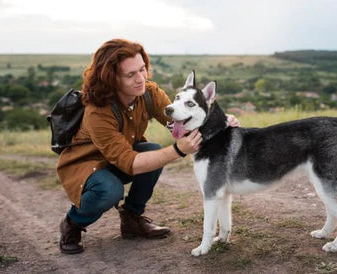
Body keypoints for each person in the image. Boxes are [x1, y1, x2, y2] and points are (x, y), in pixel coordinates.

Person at [56, 38, 239, 254]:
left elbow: (182, 119)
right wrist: (178, 150)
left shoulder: (149, 93)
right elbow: (131, 163)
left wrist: (220, 121)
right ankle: (73, 223)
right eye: (130, 74)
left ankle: (132, 220)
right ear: (111, 78)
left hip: (119, 158)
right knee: (109, 190)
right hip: (87, 166)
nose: (141, 78)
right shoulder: (98, 111)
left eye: (142, 69)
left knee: (151, 150)